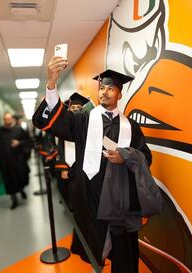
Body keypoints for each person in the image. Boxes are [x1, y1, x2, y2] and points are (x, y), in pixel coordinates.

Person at [33, 56, 152, 273]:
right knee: (94, 249)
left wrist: (126, 155)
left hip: (121, 198)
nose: (104, 92)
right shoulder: (83, 120)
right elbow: (53, 122)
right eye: (102, 88)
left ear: (119, 93)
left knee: (124, 253)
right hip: (91, 195)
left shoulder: (132, 127)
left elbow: (146, 157)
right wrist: (51, 83)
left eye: (111, 88)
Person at [54, 92, 90, 208]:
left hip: (83, 167)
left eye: (78, 108)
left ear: (83, 109)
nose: (75, 110)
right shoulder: (64, 128)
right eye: (73, 108)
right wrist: (63, 167)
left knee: (85, 196)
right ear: (69, 109)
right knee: (72, 196)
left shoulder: (87, 126)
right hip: (69, 168)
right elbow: (60, 149)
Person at [0, 113, 31, 209]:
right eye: (5, 119)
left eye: (9, 119)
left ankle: (21, 190)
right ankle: (14, 200)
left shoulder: (19, 130)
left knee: (20, 177)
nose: (7, 121)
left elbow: (28, 141)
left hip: (18, 160)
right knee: (8, 181)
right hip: (4, 162)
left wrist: (19, 143)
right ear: (3, 120)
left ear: (12, 119)